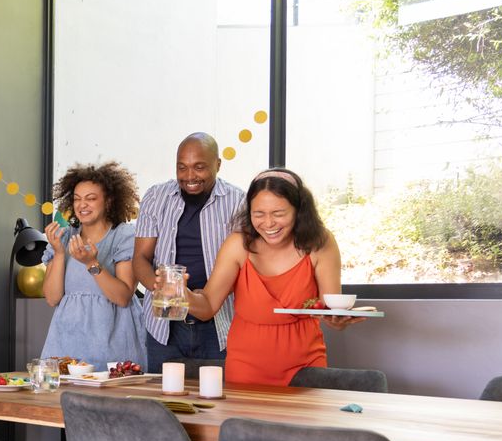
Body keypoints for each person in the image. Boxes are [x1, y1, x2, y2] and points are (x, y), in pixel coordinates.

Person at [186, 167, 365, 386]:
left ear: (299, 210)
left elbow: (330, 308)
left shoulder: (320, 243)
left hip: (306, 364)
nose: (268, 223)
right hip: (246, 366)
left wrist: (338, 320)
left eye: (279, 214)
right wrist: (181, 295)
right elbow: (207, 307)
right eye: (258, 214)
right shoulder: (237, 245)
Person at [133, 133, 245, 373]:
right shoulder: (156, 197)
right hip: (164, 327)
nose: (189, 176)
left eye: (199, 167)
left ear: (218, 165)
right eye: (182, 167)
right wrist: (161, 288)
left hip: (218, 325)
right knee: (163, 395)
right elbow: (140, 259)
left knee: (218, 394)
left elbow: (244, 266)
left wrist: (205, 297)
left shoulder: (238, 201)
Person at [40, 161, 146, 371]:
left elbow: (123, 297)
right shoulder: (64, 237)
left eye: (90, 198)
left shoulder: (124, 236)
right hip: (65, 343)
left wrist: (92, 263)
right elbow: (52, 298)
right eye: (77, 199)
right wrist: (59, 253)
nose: (82, 205)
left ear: (108, 201)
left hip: (112, 344)